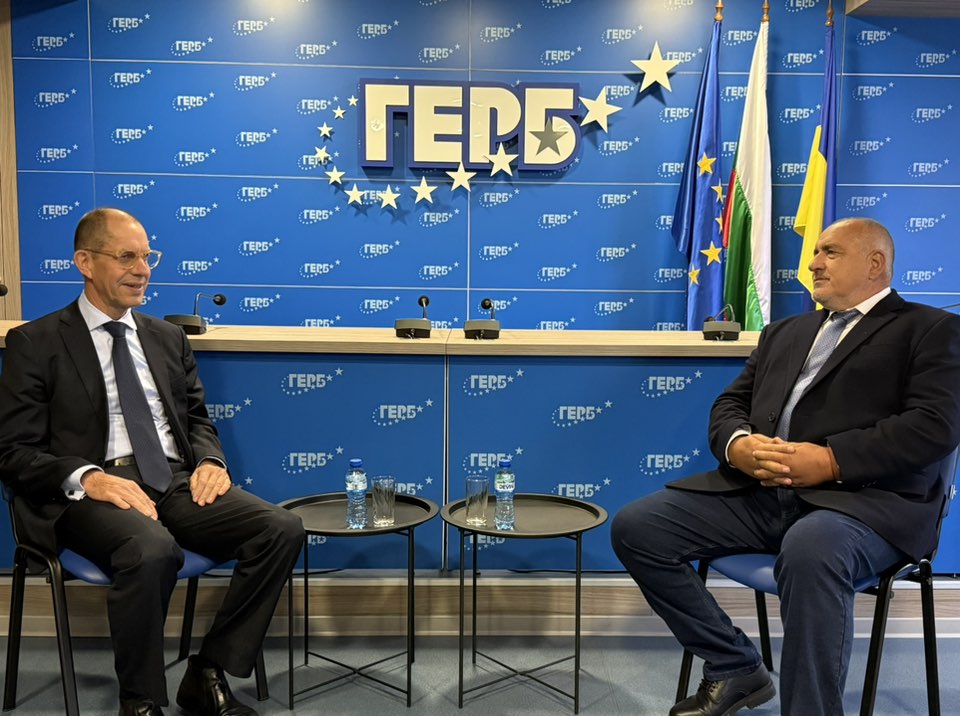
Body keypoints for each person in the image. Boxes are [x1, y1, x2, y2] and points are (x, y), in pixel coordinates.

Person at [611, 217, 960, 716]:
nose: (814, 263)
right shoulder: (785, 332)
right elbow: (731, 403)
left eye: (830, 252)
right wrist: (738, 446)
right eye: (815, 252)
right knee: (638, 527)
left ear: (875, 263)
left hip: (864, 506)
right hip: (762, 494)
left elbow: (934, 426)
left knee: (812, 548)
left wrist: (832, 460)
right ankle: (735, 666)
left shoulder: (930, 329)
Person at [0, 208, 305, 716]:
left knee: (280, 528)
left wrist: (210, 461)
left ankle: (207, 671)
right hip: (89, 495)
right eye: (126, 257)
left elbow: (197, 420)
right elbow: (13, 452)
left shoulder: (167, 337)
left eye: (147, 257)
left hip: (172, 480)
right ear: (85, 262)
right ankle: (140, 700)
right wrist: (88, 478)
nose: (142, 269)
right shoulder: (37, 342)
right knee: (152, 549)